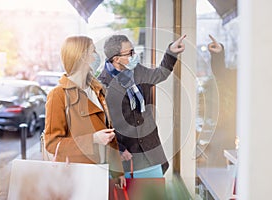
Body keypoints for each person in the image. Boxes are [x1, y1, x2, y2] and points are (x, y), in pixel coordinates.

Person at [44, 36, 126, 188]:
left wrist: (117, 171)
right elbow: (52, 143)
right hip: (76, 177)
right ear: (81, 56)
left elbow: (109, 134)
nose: (97, 56)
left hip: (102, 172)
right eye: (93, 51)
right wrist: (92, 139)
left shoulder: (97, 90)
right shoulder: (58, 94)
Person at [98, 34, 186, 174]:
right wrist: (118, 148)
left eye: (134, 51)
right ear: (116, 59)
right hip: (128, 153)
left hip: (150, 148)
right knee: (132, 193)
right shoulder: (102, 85)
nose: (134, 56)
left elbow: (160, 74)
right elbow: (102, 124)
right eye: (130, 53)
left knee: (155, 191)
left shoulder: (137, 71)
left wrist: (171, 52)